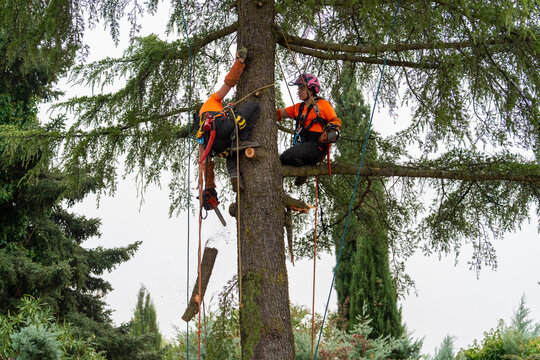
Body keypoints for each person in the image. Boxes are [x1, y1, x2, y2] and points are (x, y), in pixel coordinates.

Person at [195, 47, 260, 208]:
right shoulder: (212, 102)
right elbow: (229, 83)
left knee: (232, 152)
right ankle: (242, 140)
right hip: (223, 127)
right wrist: (239, 62)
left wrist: (209, 187)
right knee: (255, 106)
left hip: (219, 146)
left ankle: (234, 176)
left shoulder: (201, 134)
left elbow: (205, 161)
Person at [276, 73, 342, 186]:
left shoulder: (323, 105)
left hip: (317, 146)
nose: (299, 91)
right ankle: (304, 169)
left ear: (311, 90)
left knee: (287, 156)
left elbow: (336, 122)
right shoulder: (298, 108)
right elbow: (279, 114)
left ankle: (304, 170)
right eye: (299, 89)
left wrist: (328, 131)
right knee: (282, 158)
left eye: (302, 88)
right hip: (303, 145)